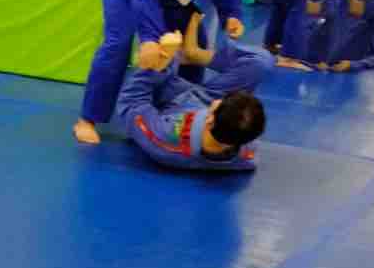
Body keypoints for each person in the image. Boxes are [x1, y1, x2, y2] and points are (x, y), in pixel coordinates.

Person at [75, 0, 256, 145]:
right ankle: (88, 118)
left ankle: (181, 109)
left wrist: (231, 14)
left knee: (195, 43)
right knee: (119, 42)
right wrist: (149, 39)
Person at [115, 10, 270, 171]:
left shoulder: (165, 139)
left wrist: (158, 64)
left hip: (169, 101)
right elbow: (236, 122)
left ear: (209, 120)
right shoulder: (245, 148)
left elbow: (131, 102)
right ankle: (193, 53)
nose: (220, 100)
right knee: (260, 62)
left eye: (221, 102)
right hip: (204, 100)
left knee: (158, 48)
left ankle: (171, 57)